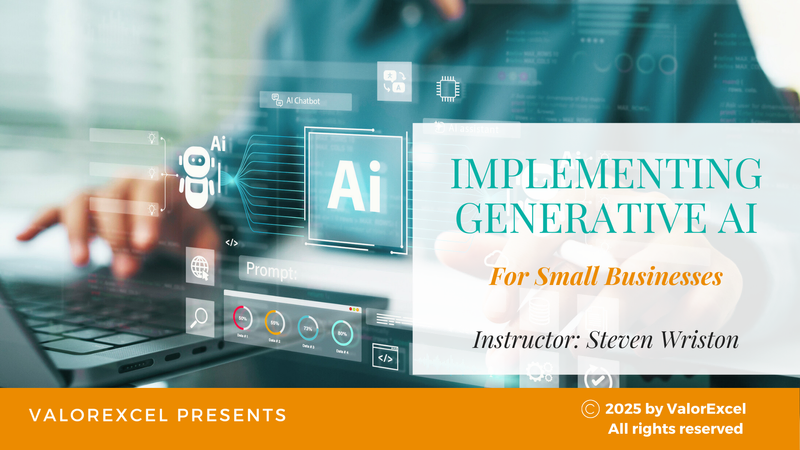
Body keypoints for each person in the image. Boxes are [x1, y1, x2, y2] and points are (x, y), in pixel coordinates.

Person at [15, 0, 796, 375]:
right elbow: (259, 158)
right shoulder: (316, 20)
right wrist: (193, 207)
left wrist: (726, 271)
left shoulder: (665, 15)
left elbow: (772, 223)